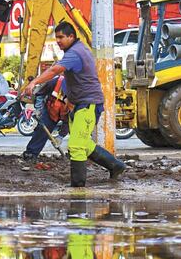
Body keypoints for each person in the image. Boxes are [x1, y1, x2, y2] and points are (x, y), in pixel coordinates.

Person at [21, 21, 126, 187]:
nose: (58, 41)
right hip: (80, 104)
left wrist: (33, 83)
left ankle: (78, 188)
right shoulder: (77, 50)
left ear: (71, 36)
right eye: (56, 37)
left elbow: (55, 70)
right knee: (85, 144)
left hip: (87, 105)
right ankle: (116, 166)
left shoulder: (75, 53)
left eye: (62, 37)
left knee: (76, 146)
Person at [22, 76, 70, 162]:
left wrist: (60, 136)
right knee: (41, 130)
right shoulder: (55, 82)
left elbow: (69, 120)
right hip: (50, 111)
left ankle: (74, 157)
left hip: (65, 114)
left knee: (77, 134)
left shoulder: (78, 94)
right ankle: (31, 154)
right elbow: (40, 94)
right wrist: (38, 109)